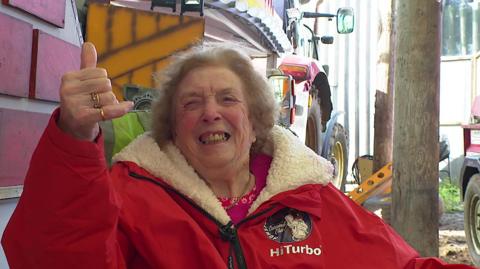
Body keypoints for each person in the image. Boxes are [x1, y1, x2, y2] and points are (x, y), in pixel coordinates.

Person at [1, 42, 474, 269]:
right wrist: (73, 135)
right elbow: (53, 259)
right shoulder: (128, 199)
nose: (211, 113)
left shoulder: (313, 199)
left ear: (254, 123)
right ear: (171, 127)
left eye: (228, 100)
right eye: (192, 103)